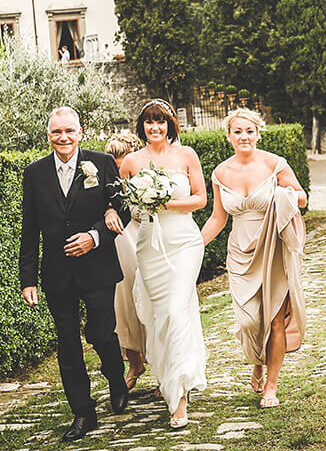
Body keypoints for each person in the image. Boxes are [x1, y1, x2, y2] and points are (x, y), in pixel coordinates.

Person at [19, 106, 132, 442]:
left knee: (101, 334)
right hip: (57, 274)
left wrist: (95, 236)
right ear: (49, 135)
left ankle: (115, 376)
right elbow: (30, 229)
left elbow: (122, 210)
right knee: (67, 345)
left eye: (69, 131)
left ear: (80, 132)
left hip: (97, 268)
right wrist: (28, 279)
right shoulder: (34, 173)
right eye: (57, 132)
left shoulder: (102, 163)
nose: (63, 138)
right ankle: (83, 413)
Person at [106, 99, 207, 428]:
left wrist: (166, 202)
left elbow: (200, 199)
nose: (155, 128)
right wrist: (136, 206)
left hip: (184, 243)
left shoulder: (186, 155)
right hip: (149, 246)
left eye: (160, 122)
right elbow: (122, 207)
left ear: (170, 124)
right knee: (160, 318)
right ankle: (172, 377)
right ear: (142, 127)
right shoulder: (131, 162)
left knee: (177, 311)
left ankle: (177, 398)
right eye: (149, 122)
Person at [200, 107, 306, 408]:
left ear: (258, 133)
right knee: (248, 322)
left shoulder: (275, 164)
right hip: (240, 251)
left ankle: (271, 385)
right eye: (238, 131)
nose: (244, 136)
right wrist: (194, 246)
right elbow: (218, 219)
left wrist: (281, 196)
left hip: (273, 247)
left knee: (274, 319)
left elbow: (301, 197)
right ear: (229, 136)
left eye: (249, 131)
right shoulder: (220, 172)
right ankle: (257, 362)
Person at [103, 132, 148, 390]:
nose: (117, 162)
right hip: (117, 247)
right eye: (113, 157)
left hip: (140, 244)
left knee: (145, 301)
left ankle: (159, 365)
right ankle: (134, 362)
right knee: (123, 306)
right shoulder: (105, 181)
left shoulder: (144, 180)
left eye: (122, 156)